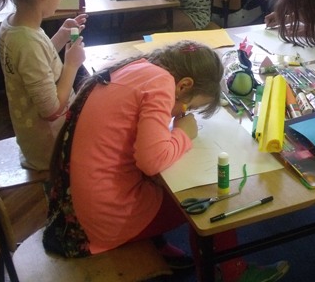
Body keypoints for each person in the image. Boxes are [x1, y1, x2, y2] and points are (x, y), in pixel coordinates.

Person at [43, 41, 290, 282]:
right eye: (189, 106)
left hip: (75, 206)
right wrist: (183, 133)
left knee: (164, 181)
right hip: (100, 221)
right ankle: (233, 273)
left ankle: (157, 244)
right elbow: (152, 161)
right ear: (184, 85)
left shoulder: (141, 66)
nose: (182, 112)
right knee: (213, 198)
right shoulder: (161, 83)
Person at [0, 0, 86, 171]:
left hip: (38, 139)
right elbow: (52, 110)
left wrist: (60, 36)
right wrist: (71, 65)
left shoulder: (14, 26)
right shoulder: (27, 41)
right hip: (51, 147)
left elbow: (36, 63)